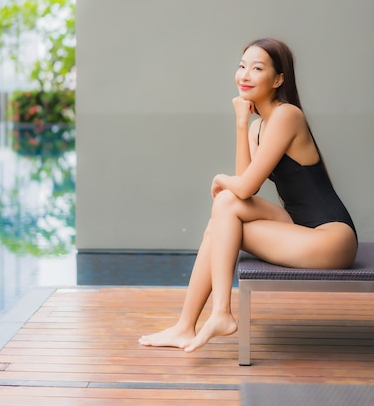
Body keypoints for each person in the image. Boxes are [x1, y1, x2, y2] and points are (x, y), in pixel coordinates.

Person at [139, 37, 358, 353]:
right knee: (224, 212)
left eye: (257, 68)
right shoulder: (260, 126)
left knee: (225, 205)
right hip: (298, 227)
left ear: (278, 79)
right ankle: (187, 326)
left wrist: (220, 178)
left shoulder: (288, 115)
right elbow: (242, 187)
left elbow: (243, 187)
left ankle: (218, 314)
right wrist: (242, 123)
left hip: (332, 238)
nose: (245, 75)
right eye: (242, 66)